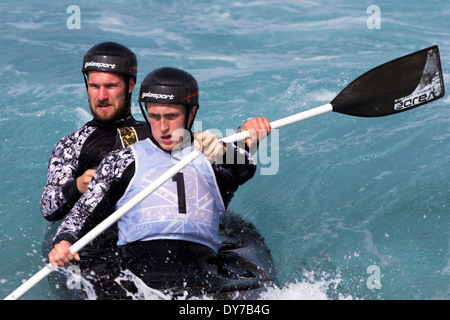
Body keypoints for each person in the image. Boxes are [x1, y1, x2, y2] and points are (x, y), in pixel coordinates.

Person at [48, 67, 273, 297]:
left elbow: (245, 168)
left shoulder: (211, 155)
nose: (163, 127)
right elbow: (81, 215)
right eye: (154, 116)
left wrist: (225, 150)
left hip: (204, 273)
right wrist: (64, 241)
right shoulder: (122, 160)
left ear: (191, 113)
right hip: (140, 278)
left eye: (171, 116)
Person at [40, 42, 151, 222]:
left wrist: (207, 147)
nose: (101, 96)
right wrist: (77, 186)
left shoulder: (157, 134)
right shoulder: (73, 144)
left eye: (110, 86)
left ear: (130, 85)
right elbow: (47, 208)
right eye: (94, 86)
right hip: (91, 244)